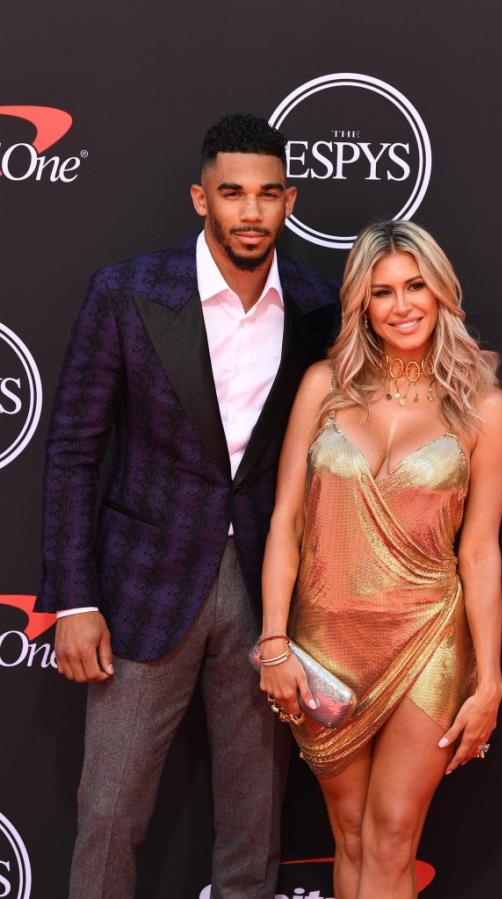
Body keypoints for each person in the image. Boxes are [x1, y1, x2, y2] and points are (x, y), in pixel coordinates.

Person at [35, 113, 339, 899]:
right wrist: (74, 598)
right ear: (199, 197)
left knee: (255, 823)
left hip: (266, 591)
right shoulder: (128, 292)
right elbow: (71, 449)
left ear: (290, 201)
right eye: (232, 192)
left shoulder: (317, 303)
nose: (250, 211)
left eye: (268, 194)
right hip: (143, 585)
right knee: (108, 814)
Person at [258, 220, 502, 899]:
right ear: (361, 306)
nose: (402, 305)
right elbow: (284, 520)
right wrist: (275, 638)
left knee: (396, 828)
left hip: (427, 637)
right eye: (383, 292)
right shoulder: (324, 387)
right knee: (351, 832)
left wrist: (488, 680)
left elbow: (480, 551)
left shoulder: (485, 407)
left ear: (441, 292)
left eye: (416, 286)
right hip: (324, 644)